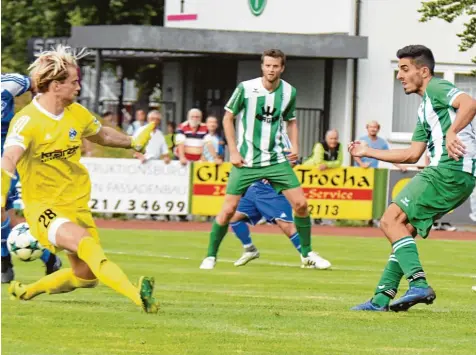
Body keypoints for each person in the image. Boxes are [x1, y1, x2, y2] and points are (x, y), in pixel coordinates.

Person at [2, 45, 159, 313]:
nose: (78, 87)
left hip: (76, 205)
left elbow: (104, 136)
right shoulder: (26, 120)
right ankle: (139, 297)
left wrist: (133, 142)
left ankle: (25, 291)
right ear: (54, 85)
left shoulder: (77, 113)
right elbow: (8, 160)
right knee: (85, 244)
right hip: (43, 207)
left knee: (86, 277)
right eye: (74, 82)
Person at [349, 45, 476, 312]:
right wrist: (367, 150)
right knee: (403, 229)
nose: (399, 76)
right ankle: (381, 298)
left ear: (424, 70)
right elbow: (411, 153)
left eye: (405, 69)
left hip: (447, 171)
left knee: (389, 219)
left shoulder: (436, 88)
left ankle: (418, 284)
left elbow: (469, 103)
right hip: (459, 176)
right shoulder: (424, 109)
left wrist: (453, 132)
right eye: (398, 70)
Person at [199, 48, 318, 270]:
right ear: (262, 66)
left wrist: (295, 147)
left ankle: (307, 253)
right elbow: (227, 118)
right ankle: (210, 256)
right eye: (268, 65)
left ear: (282, 68)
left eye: (276, 66)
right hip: (247, 161)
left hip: (275, 160)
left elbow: (291, 121)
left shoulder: (289, 92)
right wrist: (233, 151)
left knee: (301, 204)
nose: (271, 69)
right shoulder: (245, 88)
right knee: (228, 211)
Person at [203, 133, 331, 270]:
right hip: (254, 187)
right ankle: (249, 249)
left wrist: (271, 172)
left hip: (272, 189)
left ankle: (306, 256)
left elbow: (292, 161)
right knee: (232, 216)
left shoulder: (280, 135)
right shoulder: (249, 132)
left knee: (286, 225)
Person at [1, 73, 62, 283]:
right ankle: (48, 257)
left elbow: (40, 87)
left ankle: (4, 262)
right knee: (6, 215)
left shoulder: (11, 82)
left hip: (6, 153)